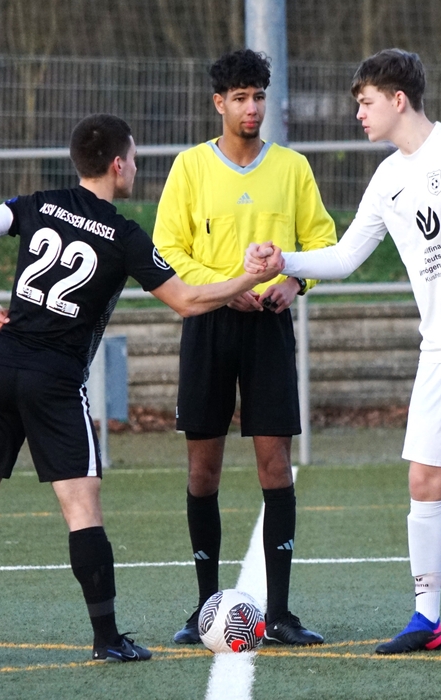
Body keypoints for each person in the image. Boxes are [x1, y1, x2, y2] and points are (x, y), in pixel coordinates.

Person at [0, 113, 284, 663]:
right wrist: (250, 278)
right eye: (134, 160)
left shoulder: (37, 204)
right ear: (118, 165)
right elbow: (188, 301)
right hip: (54, 379)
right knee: (82, 508)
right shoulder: (123, 235)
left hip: (0, 366)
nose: (136, 169)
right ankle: (107, 638)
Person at [246, 48, 441, 653]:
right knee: (424, 482)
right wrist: (285, 261)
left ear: (398, 100)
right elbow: (346, 256)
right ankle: (426, 619)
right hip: (439, 350)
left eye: (366, 102)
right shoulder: (387, 179)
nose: (359, 114)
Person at [152, 49, 337, 646]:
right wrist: (225, 289)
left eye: (258, 96)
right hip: (209, 324)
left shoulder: (292, 168)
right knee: (202, 470)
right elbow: (167, 249)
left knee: (274, 464)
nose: (251, 107)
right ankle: (204, 609)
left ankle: (279, 614)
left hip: (269, 329)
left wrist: (294, 283)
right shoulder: (189, 168)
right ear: (219, 103)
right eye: (239, 97)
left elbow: (322, 241)